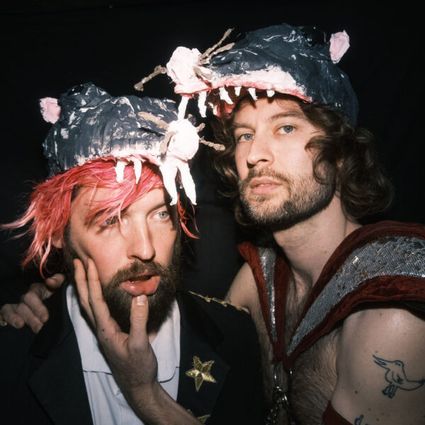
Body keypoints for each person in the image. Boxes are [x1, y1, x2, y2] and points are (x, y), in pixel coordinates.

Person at [4, 23, 425, 425]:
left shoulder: (391, 313)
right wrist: (58, 298)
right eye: (243, 135)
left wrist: (145, 395)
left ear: (341, 151)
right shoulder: (257, 284)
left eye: (285, 127)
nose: (255, 154)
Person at [0, 82, 265, 425]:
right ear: (58, 231)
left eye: (161, 214)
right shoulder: (12, 355)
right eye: (110, 220)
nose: (145, 248)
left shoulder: (236, 337)